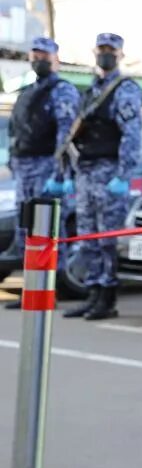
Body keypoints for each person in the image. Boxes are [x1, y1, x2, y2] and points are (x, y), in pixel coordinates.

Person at [62, 33, 142, 322]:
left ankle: (107, 297)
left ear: (120, 54)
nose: (105, 55)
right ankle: (93, 292)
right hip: (86, 172)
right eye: (101, 49)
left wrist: (124, 174)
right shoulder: (92, 90)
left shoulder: (125, 89)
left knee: (107, 237)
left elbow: (131, 135)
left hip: (109, 172)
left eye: (111, 50)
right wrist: (69, 172)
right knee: (87, 236)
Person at [0, 36, 78, 309]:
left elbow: (65, 134)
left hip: (46, 167)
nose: (38, 60)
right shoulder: (27, 91)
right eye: (34, 55)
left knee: (47, 231)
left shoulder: (62, 91)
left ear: (55, 58)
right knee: (27, 232)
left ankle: (50, 290)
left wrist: (59, 174)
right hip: (24, 170)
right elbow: (15, 131)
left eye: (44, 55)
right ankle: (30, 288)